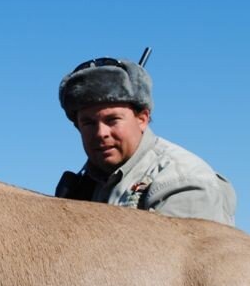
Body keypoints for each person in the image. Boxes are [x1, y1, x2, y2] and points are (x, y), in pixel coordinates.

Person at [55, 57, 237, 225]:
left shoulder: (182, 180)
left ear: (142, 119)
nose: (101, 133)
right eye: (88, 123)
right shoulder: (85, 184)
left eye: (112, 120)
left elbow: (176, 256)